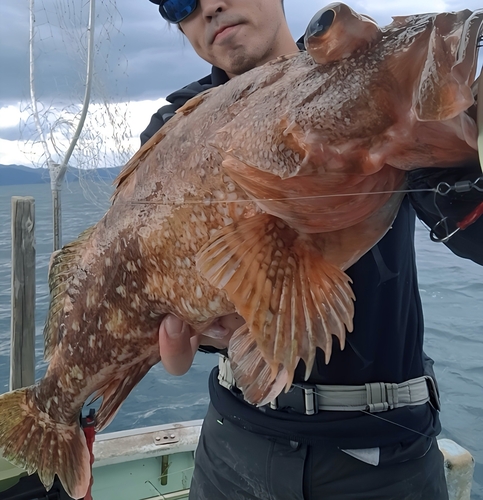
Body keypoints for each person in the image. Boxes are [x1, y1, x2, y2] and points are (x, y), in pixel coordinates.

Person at [142, 1, 483, 498]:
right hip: (228, 446)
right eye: (179, 3)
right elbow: (169, 304)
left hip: (381, 461)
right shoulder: (172, 129)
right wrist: (199, 338)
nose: (209, 6)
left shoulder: (355, 72)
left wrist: (463, 156)